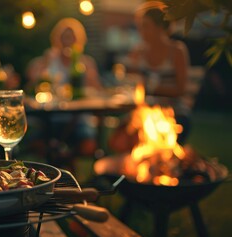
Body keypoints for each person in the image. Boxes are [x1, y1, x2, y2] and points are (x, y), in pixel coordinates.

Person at [108, 2, 191, 152]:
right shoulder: (140, 52)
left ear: (160, 27)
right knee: (116, 138)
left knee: (135, 135)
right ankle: (133, 172)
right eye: (139, 26)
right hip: (144, 110)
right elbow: (129, 80)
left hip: (173, 112)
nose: (141, 31)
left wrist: (151, 87)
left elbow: (181, 89)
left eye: (145, 26)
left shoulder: (177, 51)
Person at [25, 18, 103, 167]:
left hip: (79, 118)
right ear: (56, 39)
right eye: (64, 37)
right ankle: (62, 163)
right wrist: (45, 64)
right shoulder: (48, 61)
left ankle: (63, 162)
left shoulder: (86, 63)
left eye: (71, 37)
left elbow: (98, 92)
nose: (67, 41)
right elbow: (31, 85)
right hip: (51, 117)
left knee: (86, 139)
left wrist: (89, 78)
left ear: (79, 40)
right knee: (38, 138)